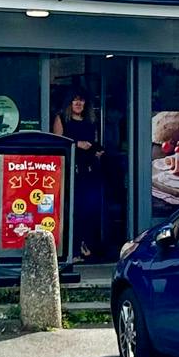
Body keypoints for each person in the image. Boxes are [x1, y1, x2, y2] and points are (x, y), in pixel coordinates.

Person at [54, 91, 102, 259]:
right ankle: (71, 249)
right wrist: (76, 144)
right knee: (71, 208)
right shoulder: (62, 118)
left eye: (81, 100)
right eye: (75, 100)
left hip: (88, 170)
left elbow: (94, 142)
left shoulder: (90, 121)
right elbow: (57, 142)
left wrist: (97, 151)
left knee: (88, 209)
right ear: (69, 102)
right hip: (69, 170)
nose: (78, 103)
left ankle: (85, 244)